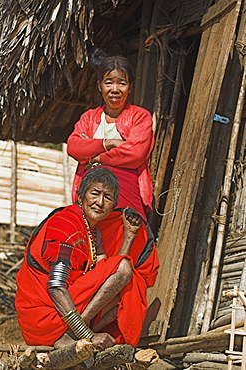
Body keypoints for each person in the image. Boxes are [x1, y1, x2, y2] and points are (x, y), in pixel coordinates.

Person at [15, 167, 159, 349]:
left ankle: (74, 334)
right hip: (43, 319)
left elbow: (107, 274)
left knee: (130, 287)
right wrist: (86, 334)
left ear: (114, 206)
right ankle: (73, 336)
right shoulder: (66, 222)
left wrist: (129, 236)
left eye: (107, 198)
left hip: (64, 316)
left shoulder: (93, 233)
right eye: (95, 193)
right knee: (123, 268)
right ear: (80, 196)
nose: (100, 202)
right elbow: (56, 287)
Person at [67, 50, 155, 220]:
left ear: (130, 86)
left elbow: (136, 154)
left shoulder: (140, 117)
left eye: (122, 83)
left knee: (126, 237)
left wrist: (94, 157)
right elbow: (74, 148)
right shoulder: (89, 118)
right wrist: (110, 143)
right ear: (100, 85)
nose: (115, 89)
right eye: (109, 83)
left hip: (126, 192)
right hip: (90, 195)